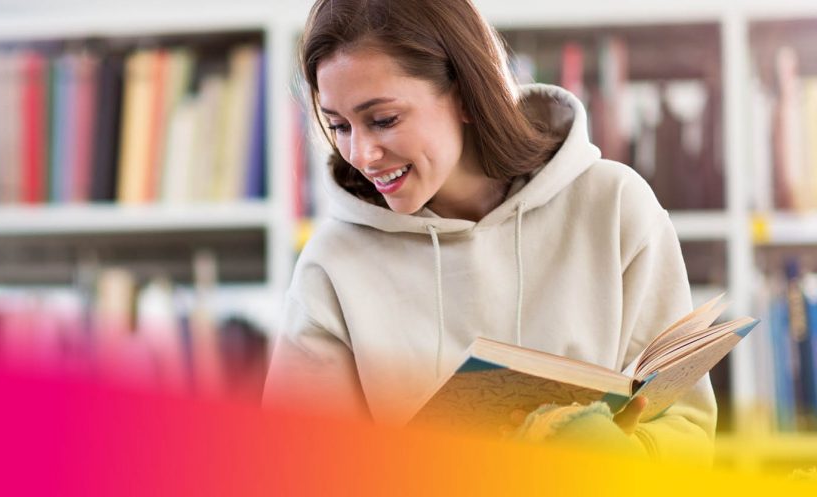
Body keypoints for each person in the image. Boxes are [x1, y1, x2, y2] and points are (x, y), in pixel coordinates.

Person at [263, 0, 716, 463]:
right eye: (339, 126)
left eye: (383, 120)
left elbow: (687, 429)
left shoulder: (615, 206)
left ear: (465, 94)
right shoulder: (333, 263)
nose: (361, 154)